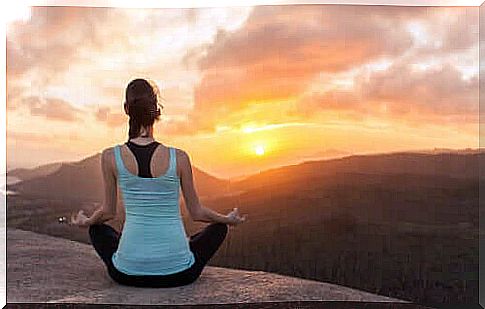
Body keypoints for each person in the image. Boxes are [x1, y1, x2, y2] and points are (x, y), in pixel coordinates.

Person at [70, 78, 247, 287]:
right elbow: (197, 213)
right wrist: (228, 219)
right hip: (180, 273)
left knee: (97, 230)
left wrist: (86, 221)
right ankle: (176, 248)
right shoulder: (178, 157)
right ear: (156, 111)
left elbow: (108, 212)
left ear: (126, 109)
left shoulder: (111, 156)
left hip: (127, 274)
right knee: (219, 228)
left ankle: (136, 252)